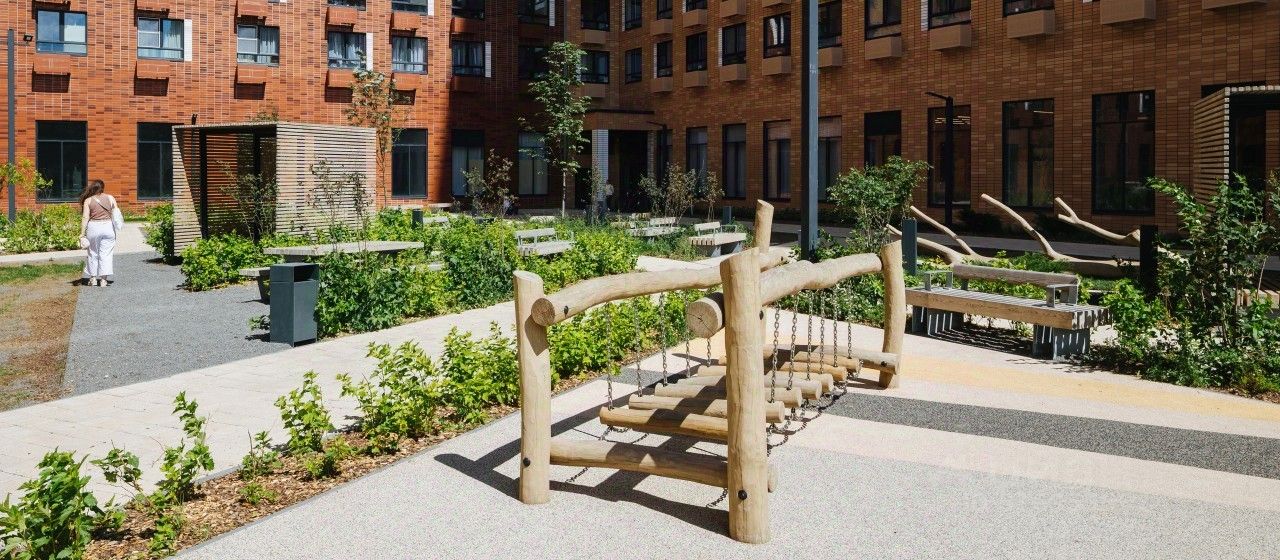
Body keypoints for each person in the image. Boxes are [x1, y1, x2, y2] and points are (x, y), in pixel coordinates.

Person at [78, 179, 117, 287]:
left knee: (93, 253)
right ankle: (103, 280)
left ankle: (93, 279)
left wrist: (82, 233)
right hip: (108, 227)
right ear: (103, 188)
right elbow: (116, 213)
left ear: (92, 188)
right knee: (106, 254)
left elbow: (85, 217)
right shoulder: (110, 198)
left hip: (94, 227)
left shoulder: (88, 200)